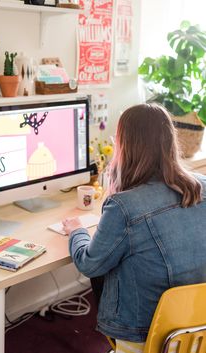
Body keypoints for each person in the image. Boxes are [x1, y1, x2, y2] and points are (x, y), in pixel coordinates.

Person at [62, 103, 206, 353]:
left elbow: (89, 264)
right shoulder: (201, 185)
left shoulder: (123, 207)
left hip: (147, 335)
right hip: (198, 329)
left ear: (125, 146)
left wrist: (77, 231)